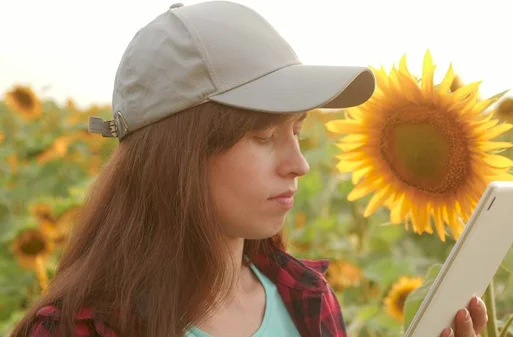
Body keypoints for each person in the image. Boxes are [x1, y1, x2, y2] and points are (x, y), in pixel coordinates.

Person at [10, 1, 488, 337]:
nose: (298, 165)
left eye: (297, 130)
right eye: (263, 137)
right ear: (178, 156)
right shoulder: (76, 327)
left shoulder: (305, 297)